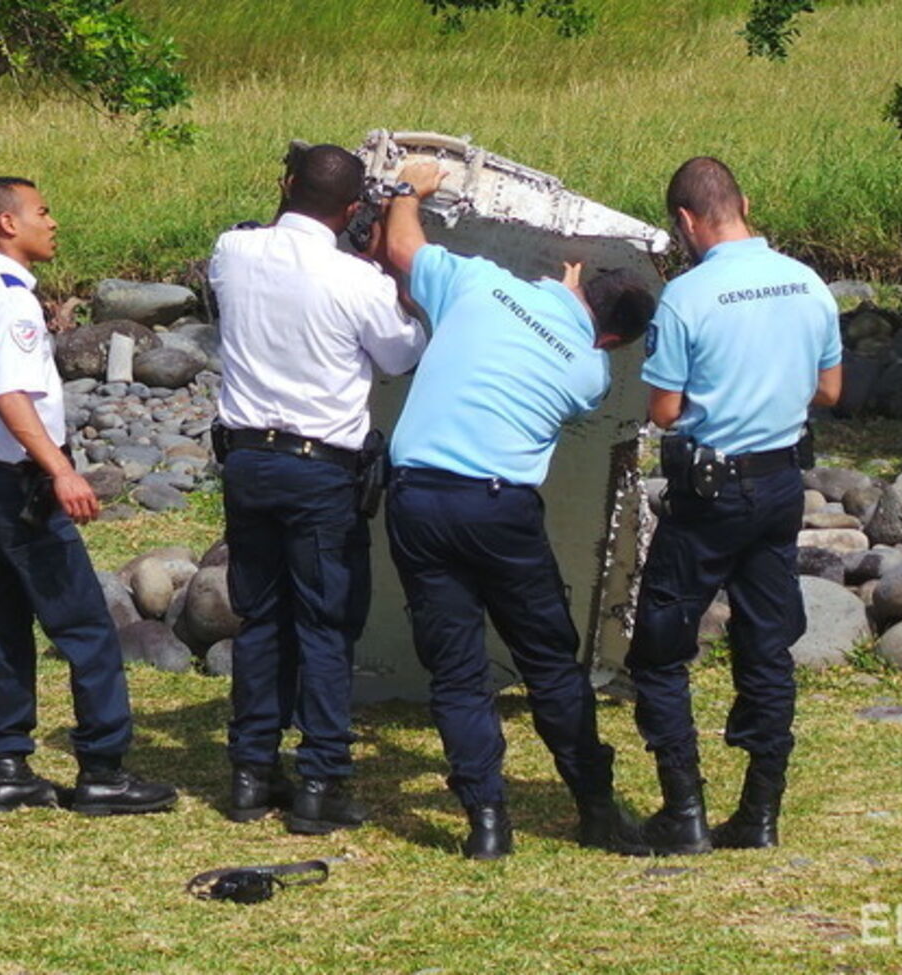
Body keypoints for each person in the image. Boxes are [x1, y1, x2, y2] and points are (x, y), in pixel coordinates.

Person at [381, 160, 657, 860]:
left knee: (455, 667)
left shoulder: (479, 283)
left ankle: (486, 821)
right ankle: (594, 806)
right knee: (549, 662)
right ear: (616, 339)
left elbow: (401, 250)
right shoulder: (589, 370)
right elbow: (570, 344)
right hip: (501, 511)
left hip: (420, 498)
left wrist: (408, 189)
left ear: (577, 278)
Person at [0, 177, 177, 816]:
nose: (54, 222)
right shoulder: (13, 303)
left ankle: (8, 765)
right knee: (87, 627)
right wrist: (60, 471)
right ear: (6, 225)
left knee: (0, 626)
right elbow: (9, 396)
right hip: (19, 485)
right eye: (42, 211)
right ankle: (102, 768)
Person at [627, 157, 842, 854]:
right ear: (744, 203)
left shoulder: (688, 297)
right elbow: (830, 390)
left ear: (686, 222)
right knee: (766, 642)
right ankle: (760, 811)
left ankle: (683, 811)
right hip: (782, 484)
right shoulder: (807, 282)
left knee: (661, 647)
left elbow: (663, 409)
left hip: (709, 493)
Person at [209, 144, 427, 834]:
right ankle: (321, 778)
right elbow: (402, 353)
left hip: (247, 459)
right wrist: (392, 271)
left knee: (261, 616)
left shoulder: (232, 252)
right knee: (327, 624)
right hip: (319, 467)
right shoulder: (355, 281)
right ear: (354, 210)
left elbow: (270, 239)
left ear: (285, 188)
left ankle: (250, 771)